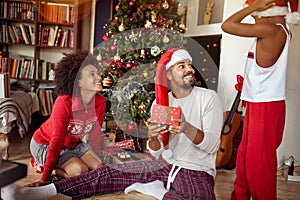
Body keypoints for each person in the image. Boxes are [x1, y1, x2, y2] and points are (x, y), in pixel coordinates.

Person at [1, 48, 223, 200]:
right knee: (104, 173)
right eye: (181, 65)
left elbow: (212, 145)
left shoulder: (208, 98)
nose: (189, 69)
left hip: (195, 168)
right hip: (164, 163)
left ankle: (158, 191)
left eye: (189, 65)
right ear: (168, 74)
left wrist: (185, 127)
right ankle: (40, 193)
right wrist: (154, 138)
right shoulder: (161, 102)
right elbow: (156, 152)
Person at [221, 0, 299, 199]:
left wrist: (254, 8)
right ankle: (240, 196)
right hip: (259, 104)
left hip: (266, 106)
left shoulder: (270, 29)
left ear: (268, 7)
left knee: (260, 166)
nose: (251, 13)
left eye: (256, 6)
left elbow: (227, 25)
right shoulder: (273, 29)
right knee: (246, 158)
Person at [27, 50, 106, 186]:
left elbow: (95, 136)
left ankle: (65, 162)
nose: (98, 77)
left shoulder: (100, 102)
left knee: (97, 166)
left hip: (72, 144)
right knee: (80, 170)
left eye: (97, 73)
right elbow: (56, 141)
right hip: (45, 144)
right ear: (79, 82)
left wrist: (96, 157)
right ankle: (48, 169)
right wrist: (44, 179)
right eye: (92, 75)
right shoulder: (64, 102)